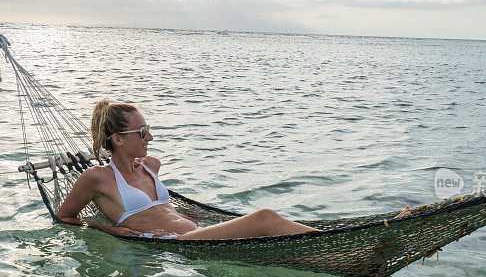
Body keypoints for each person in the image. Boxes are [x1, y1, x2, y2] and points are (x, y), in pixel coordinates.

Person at [56, 100, 321, 239]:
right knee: (264, 218)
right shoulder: (96, 178)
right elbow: (64, 216)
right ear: (118, 139)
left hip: (197, 229)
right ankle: (334, 249)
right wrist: (106, 229)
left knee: (270, 227)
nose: (150, 137)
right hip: (174, 243)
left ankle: (331, 247)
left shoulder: (151, 166)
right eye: (143, 132)